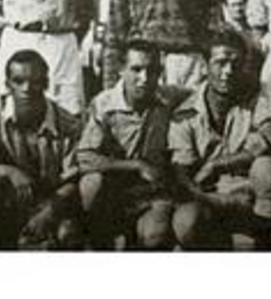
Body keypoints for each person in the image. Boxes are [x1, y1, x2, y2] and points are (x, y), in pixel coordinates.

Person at [169, 29, 271, 250]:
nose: (228, 72)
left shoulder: (258, 97)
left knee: (268, 167)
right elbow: (182, 177)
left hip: (250, 197)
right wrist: (217, 201)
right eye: (220, 63)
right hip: (208, 198)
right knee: (186, 222)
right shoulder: (186, 113)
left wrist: (217, 163)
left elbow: (269, 139)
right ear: (205, 66)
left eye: (236, 63)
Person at [0, 49, 83, 249]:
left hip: (48, 200)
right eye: (18, 81)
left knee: (67, 233)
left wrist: (48, 212)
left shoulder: (68, 124)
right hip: (3, 195)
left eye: (35, 81)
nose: (26, 88)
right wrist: (11, 172)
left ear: (46, 84)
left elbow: (73, 179)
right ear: (8, 85)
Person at [75, 38, 190, 250]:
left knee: (155, 236)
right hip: (112, 191)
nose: (144, 78)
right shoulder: (104, 104)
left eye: (152, 71)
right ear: (121, 69)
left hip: (152, 192)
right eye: (136, 69)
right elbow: (85, 158)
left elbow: (205, 91)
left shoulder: (169, 98)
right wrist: (135, 165)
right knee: (91, 183)